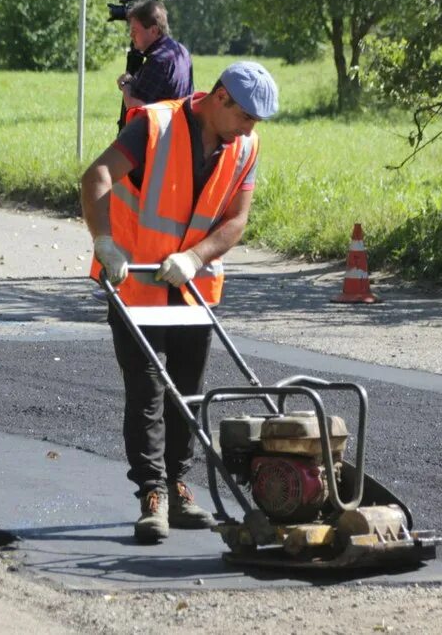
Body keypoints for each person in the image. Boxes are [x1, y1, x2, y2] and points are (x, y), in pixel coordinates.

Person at [81, 61, 279, 543]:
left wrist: (195, 257)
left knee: (187, 390)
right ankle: (151, 493)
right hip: (135, 280)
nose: (250, 129)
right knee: (146, 389)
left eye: (256, 122)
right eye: (246, 117)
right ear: (220, 99)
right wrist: (105, 243)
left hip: (192, 285)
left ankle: (178, 484)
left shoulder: (245, 146)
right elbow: (96, 177)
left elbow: (236, 220)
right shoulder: (154, 124)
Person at [116, 0, 193, 124]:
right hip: (180, 129)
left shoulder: (157, 61)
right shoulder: (181, 50)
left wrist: (125, 85)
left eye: (135, 30)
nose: (131, 35)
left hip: (162, 136)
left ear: (154, 31)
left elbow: (135, 107)